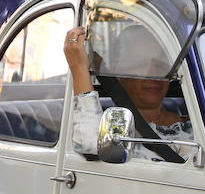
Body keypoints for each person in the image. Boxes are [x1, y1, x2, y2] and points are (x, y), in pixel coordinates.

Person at [62, 25, 193, 161]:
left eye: (161, 65)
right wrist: (79, 69)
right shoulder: (111, 133)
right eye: (141, 64)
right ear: (117, 71)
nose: (153, 73)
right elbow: (89, 146)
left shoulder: (196, 127)